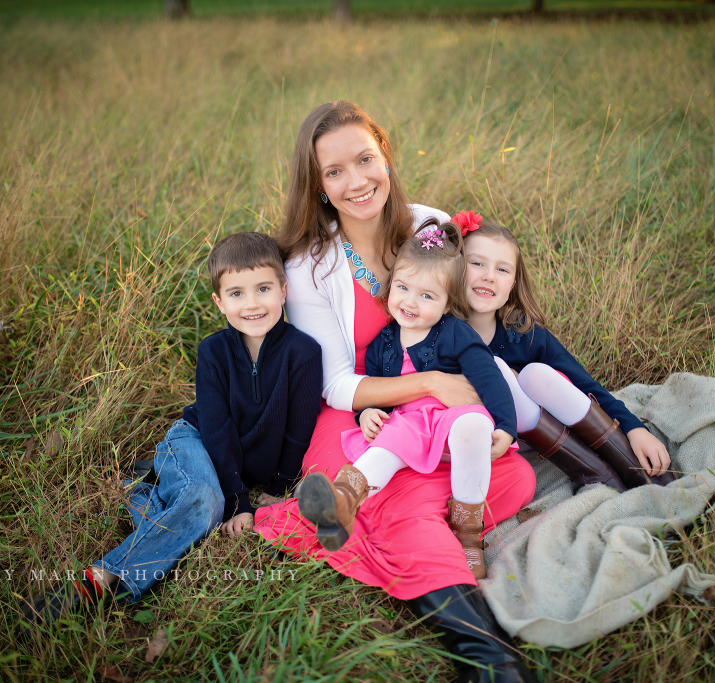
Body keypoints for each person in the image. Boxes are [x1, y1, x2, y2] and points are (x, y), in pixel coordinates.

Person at [254, 101, 538, 683]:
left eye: (365, 159)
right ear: (319, 187)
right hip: (355, 415)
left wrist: (487, 388)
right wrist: (432, 380)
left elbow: (478, 312)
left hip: (435, 410)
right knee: (397, 506)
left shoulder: (432, 228)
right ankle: (491, 657)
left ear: (385, 155)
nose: (356, 181)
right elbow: (337, 385)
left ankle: (385, 515)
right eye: (335, 172)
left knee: (512, 473)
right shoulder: (310, 266)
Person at [19, 232, 322, 637]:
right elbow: (216, 429)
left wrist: (281, 484)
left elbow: (300, 427)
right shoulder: (213, 352)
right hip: (195, 442)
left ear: (284, 291)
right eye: (236, 293)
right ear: (219, 302)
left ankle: (142, 490)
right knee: (207, 504)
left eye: (263, 288)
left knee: (198, 509)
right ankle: (98, 580)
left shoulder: (303, 352)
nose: (252, 304)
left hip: (238, 465)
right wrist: (238, 502)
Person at [297, 220, 517, 581]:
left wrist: (506, 425)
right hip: (410, 422)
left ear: (448, 303)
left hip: (450, 418)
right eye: (403, 287)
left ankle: (468, 536)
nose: (410, 302)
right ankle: (343, 500)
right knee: (389, 441)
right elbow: (378, 387)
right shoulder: (385, 340)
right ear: (391, 286)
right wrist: (368, 412)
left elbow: (490, 381)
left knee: (474, 423)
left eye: (427, 296)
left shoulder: (456, 334)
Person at [458, 211, 675, 490]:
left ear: (512, 284)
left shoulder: (523, 332)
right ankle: (602, 479)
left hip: (540, 428)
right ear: (455, 268)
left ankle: (633, 469)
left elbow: (584, 382)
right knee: (497, 369)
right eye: (477, 263)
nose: (489, 277)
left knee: (536, 374)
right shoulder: (439, 334)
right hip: (490, 439)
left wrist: (634, 428)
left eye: (502, 269)